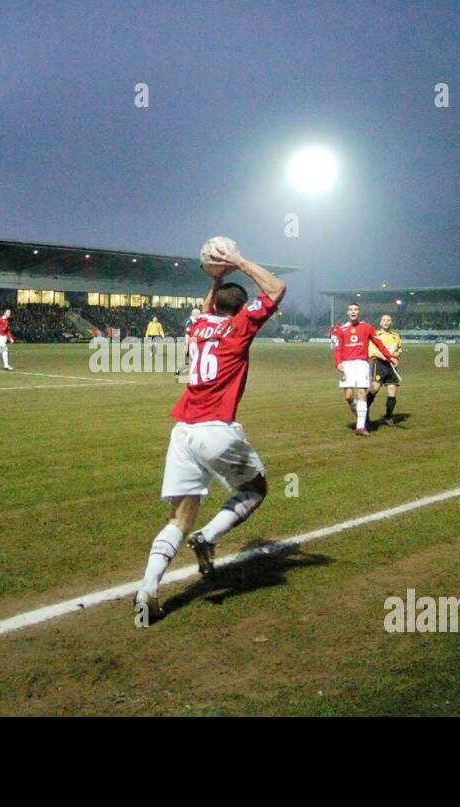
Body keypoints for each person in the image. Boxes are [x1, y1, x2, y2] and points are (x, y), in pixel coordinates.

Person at [134, 242, 286, 627]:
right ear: (240, 309)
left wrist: (216, 279)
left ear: (215, 305)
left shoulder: (200, 325)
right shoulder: (240, 327)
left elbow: (207, 309)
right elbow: (276, 289)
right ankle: (209, 537)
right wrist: (238, 262)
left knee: (177, 519)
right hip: (215, 428)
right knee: (256, 489)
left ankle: (148, 589)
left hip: (182, 431)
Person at [330, 303, 398, 436]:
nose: (353, 312)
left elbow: (378, 343)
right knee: (349, 396)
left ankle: (360, 427)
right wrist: (338, 363)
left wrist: (389, 357)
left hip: (362, 364)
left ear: (359, 312)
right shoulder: (341, 329)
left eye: (355, 309)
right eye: (350, 309)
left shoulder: (367, 327)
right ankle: (361, 414)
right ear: (347, 313)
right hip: (347, 365)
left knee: (361, 393)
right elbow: (338, 349)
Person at [367, 314, 403, 426]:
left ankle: (388, 417)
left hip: (392, 367)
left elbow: (399, 349)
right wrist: (386, 357)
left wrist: (396, 355)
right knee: (374, 389)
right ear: (380, 322)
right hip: (380, 365)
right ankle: (364, 413)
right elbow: (371, 350)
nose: (386, 322)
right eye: (384, 320)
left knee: (392, 392)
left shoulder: (395, 336)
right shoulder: (376, 335)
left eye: (388, 320)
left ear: (391, 322)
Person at [175, 307, 202, 381]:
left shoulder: (195, 321)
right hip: (190, 344)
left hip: (195, 343)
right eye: (199, 314)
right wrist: (186, 345)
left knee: (193, 362)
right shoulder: (190, 322)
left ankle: (179, 372)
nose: (200, 315)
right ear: (195, 314)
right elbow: (187, 334)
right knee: (192, 362)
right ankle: (179, 372)